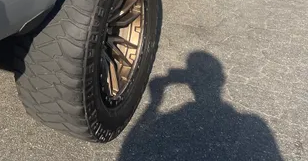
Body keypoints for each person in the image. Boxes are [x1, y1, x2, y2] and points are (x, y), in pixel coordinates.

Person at [118, 52, 283, 161]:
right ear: (221, 80)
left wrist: (155, 102)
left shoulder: (254, 124)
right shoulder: (255, 124)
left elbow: (128, 150)